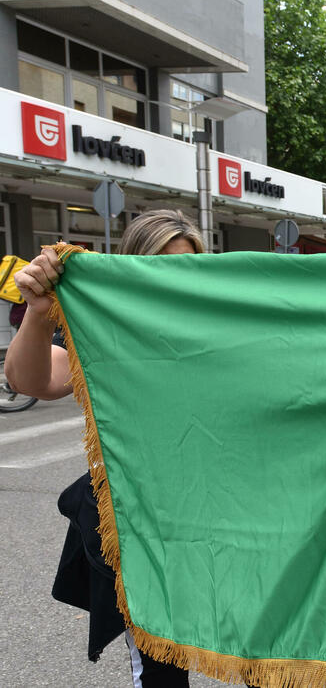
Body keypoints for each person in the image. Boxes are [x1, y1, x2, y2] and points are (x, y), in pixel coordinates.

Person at [7, 209, 205, 687]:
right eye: (160, 264)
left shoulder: (218, 330)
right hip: (140, 528)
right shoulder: (106, 334)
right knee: (159, 666)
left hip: (222, 518)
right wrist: (37, 311)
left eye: (188, 265)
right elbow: (31, 378)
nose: (174, 278)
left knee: (265, 653)